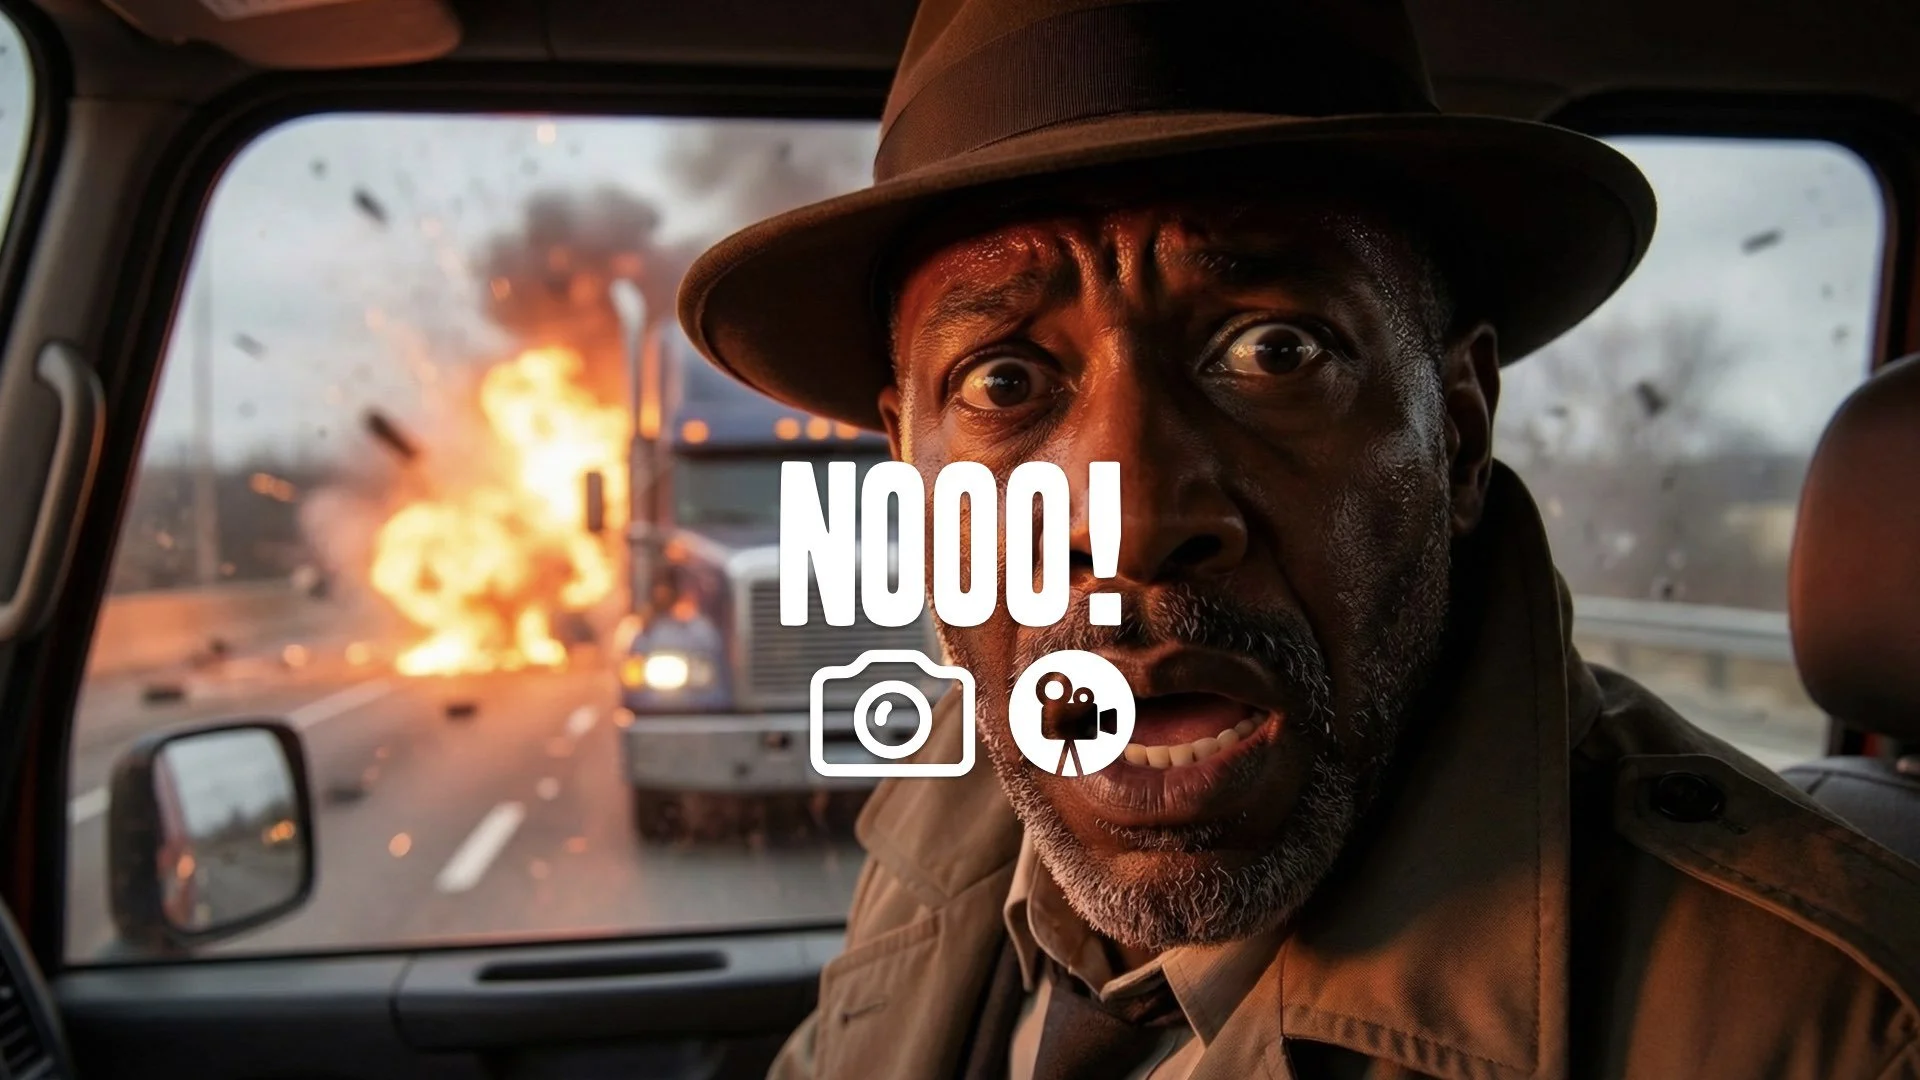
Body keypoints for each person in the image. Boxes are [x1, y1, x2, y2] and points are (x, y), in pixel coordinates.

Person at [678, 1, 1920, 1076]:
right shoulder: (953, 800)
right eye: (1005, 383)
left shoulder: (1831, 1037)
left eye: (1275, 351)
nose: (1133, 520)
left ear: (1460, 434)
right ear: (912, 466)